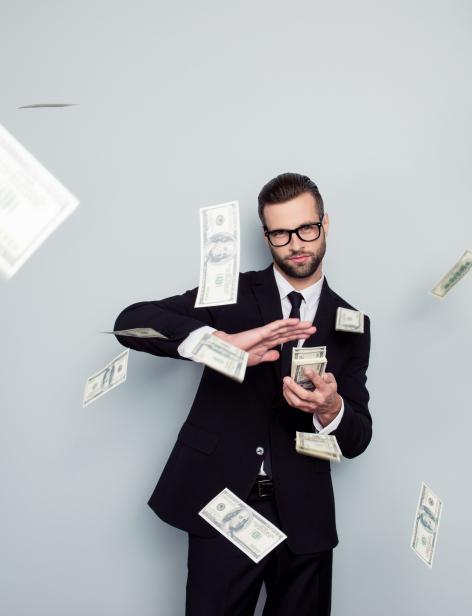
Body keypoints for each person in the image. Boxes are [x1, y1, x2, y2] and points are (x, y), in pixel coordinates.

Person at [114, 172, 372, 615]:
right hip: (223, 508)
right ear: (266, 235)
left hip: (304, 518)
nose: (296, 244)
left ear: (325, 224)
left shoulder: (352, 322)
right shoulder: (230, 293)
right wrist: (218, 343)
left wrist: (331, 408)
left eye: (306, 228)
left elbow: (358, 438)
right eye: (280, 233)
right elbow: (130, 323)